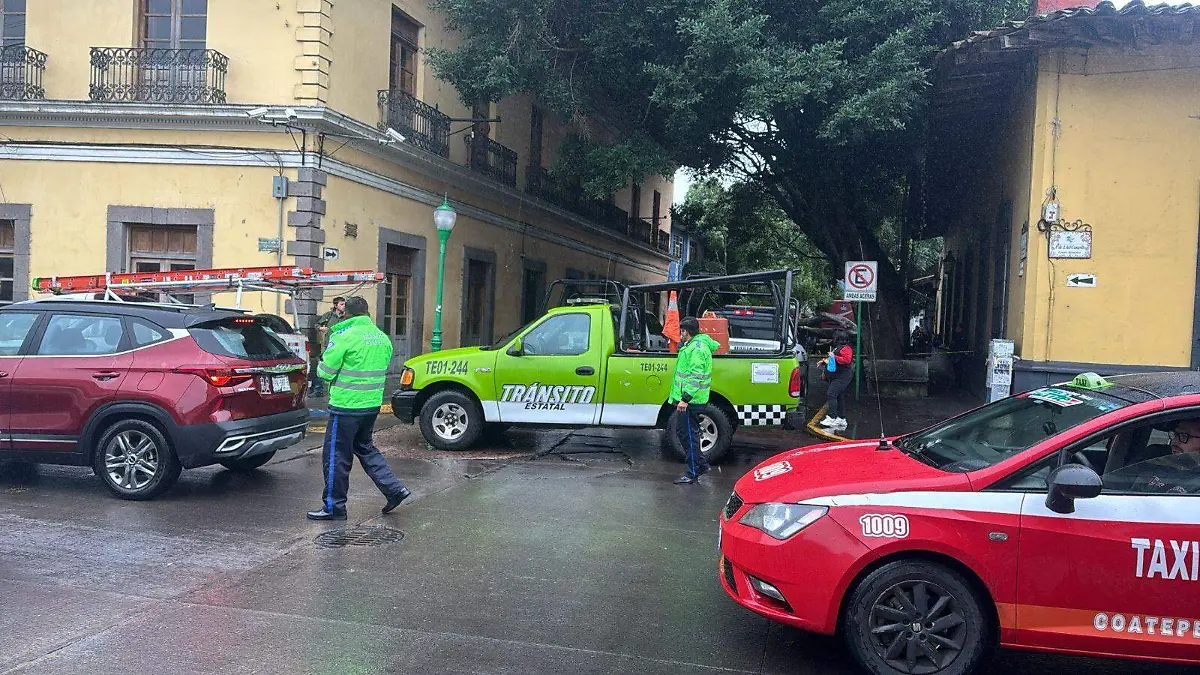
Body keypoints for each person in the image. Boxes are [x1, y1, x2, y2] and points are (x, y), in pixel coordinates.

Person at [306, 296, 410, 520]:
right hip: (371, 404)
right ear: (367, 312)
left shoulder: (343, 336)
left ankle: (334, 507)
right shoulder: (381, 337)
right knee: (365, 448)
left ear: (346, 314)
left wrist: (321, 366)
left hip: (346, 405)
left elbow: (326, 372)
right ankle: (394, 489)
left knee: (336, 456)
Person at [669, 317, 719, 485]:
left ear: (686, 332)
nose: (679, 334)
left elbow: (695, 376)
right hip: (691, 400)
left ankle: (692, 472)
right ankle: (701, 464)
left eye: (681, 331)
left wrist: (685, 399)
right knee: (684, 433)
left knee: (689, 436)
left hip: (691, 401)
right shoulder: (693, 346)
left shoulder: (696, 349)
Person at [819, 330, 854, 431]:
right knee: (839, 396)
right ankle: (841, 418)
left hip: (843, 376)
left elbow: (846, 360)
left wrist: (834, 356)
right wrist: (823, 361)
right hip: (837, 375)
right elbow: (832, 360)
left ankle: (832, 417)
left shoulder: (846, 348)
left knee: (831, 394)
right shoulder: (838, 348)